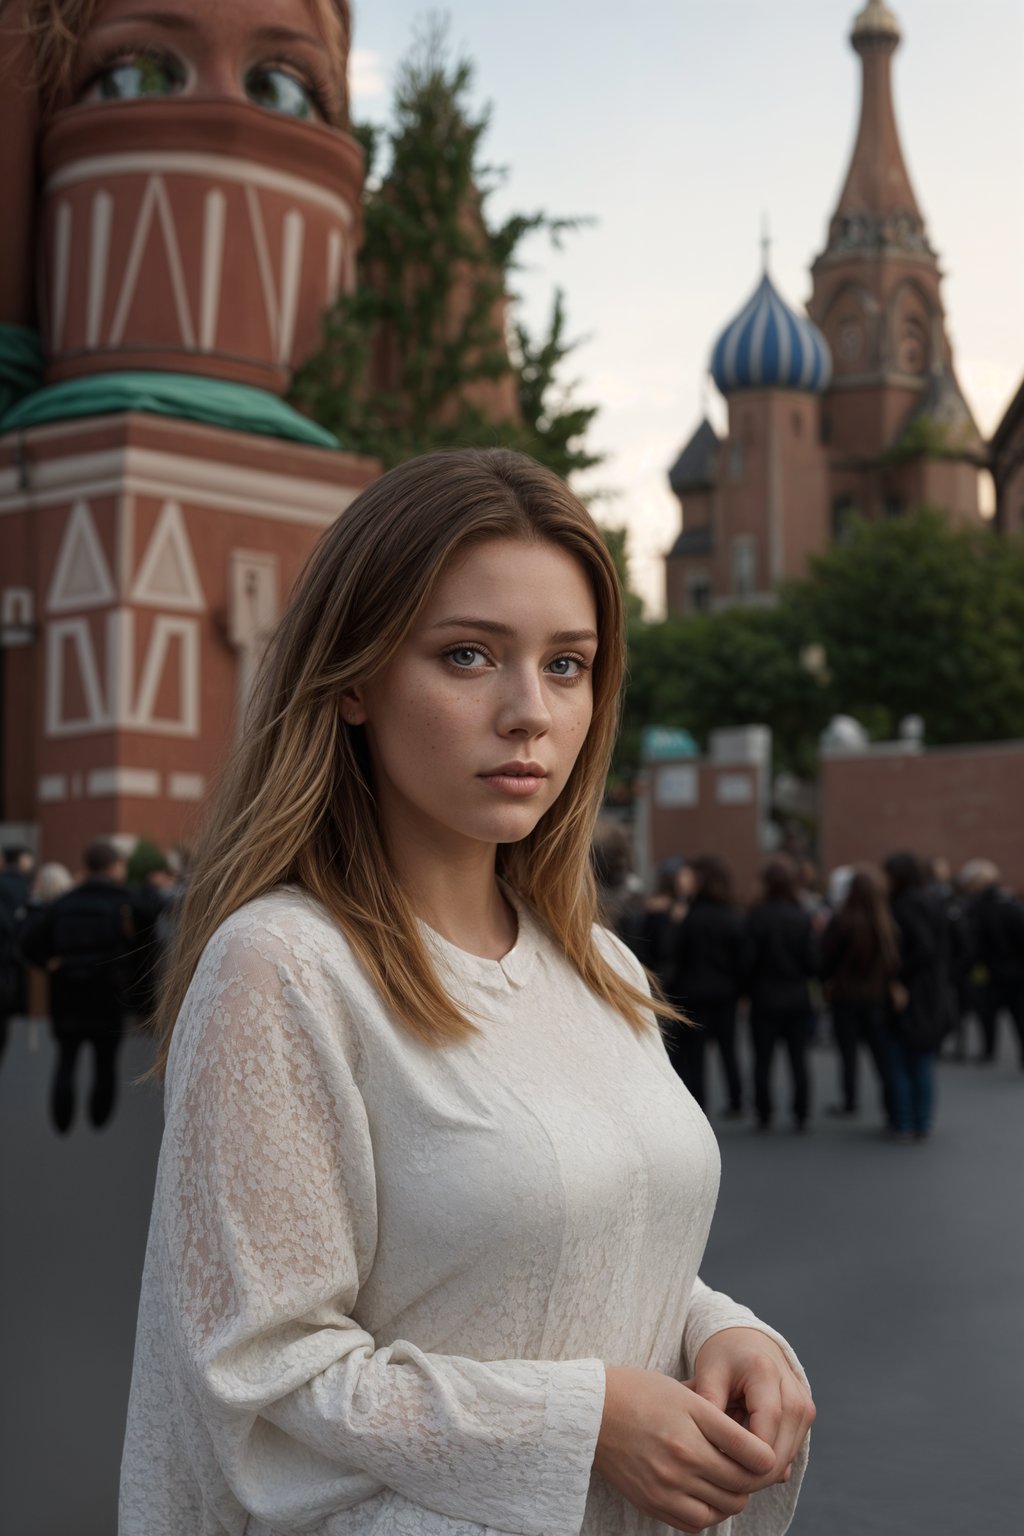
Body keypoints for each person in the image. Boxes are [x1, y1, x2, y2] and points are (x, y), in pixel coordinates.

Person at [120, 449, 814, 1536]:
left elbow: (581, 1256)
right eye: (467, 655)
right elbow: (257, 1382)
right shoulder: (285, 967)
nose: (528, 711)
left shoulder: (602, 966)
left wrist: (724, 1336)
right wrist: (583, 1424)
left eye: (568, 664)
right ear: (351, 679)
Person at [20, 840, 137, 1133]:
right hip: (108, 991)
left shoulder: (64, 903)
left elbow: (28, 942)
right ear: (112, 867)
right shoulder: (125, 901)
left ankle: (62, 1121)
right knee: (105, 1061)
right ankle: (99, 1120)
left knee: (66, 1057)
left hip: (67, 991)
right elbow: (146, 949)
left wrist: (48, 962)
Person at [742, 858, 820, 1133]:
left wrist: (745, 991)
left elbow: (747, 961)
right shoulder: (800, 916)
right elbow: (813, 963)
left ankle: (764, 1112)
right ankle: (801, 1112)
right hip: (797, 996)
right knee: (798, 1058)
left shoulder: (757, 915)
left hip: (764, 996)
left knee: (763, 1059)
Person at [820, 866, 898, 1127]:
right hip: (877, 998)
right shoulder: (885, 921)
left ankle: (850, 1100)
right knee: (882, 1055)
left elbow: (825, 960)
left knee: (848, 1054)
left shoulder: (842, 921)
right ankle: (891, 1106)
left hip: (845, 997)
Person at [882, 851, 949, 1142]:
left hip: (913, 992)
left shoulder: (904, 905)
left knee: (902, 1058)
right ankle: (922, 1121)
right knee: (922, 1058)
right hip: (933, 989)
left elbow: (922, 948)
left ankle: (906, 1120)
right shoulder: (934, 899)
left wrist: (900, 979)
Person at [673, 855, 745, 1116]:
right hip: (726, 992)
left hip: (693, 991)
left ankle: (698, 1102)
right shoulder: (733, 916)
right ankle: (736, 1098)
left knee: (696, 1052)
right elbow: (741, 959)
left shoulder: (690, 917)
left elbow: (677, 954)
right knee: (728, 1047)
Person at [960, 859, 1024, 1068]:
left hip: (989, 972)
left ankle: (988, 1050)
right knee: (1018, 1016)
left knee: (987, 1014)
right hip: (1014, 972)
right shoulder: (1010, 906)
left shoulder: (974, 909)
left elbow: (972, 944)